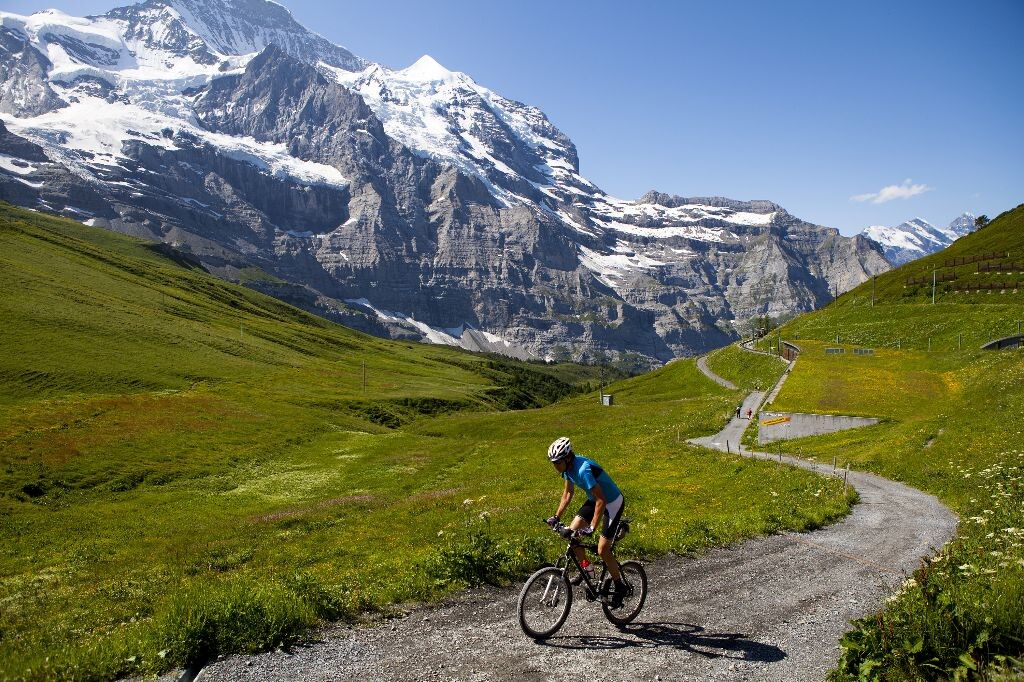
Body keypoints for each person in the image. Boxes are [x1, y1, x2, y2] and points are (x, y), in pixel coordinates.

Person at [545, 437, 628, 607]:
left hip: (612, 502)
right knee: (572, 537)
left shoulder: (583, 470)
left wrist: (591, 528)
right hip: (595, 500)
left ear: (567, 458)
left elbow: (601, 501)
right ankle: (588, 570)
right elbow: (568, 494)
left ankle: (620, 586)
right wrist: (556, 517)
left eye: (557, 462)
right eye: (553, 463)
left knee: (602, 549)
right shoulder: (567, 469)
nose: (555, 466)